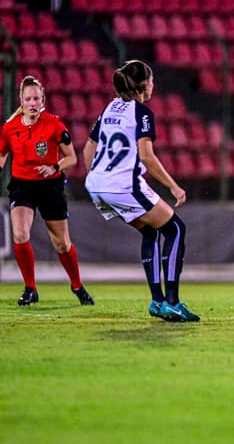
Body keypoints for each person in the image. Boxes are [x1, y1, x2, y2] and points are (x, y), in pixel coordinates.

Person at [83, 60, 199, 322]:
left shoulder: (109, 108)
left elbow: (88, 150)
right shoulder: (142, 112)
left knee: (149, 230)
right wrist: (173, 185)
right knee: (175, 229)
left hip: (97, 184)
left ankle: (157, 302)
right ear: (144, 85)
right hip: (123, 185)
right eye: (152, 80)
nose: (154, 85)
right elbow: (146, 156)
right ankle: (172, 301)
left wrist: (99, 178)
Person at [0, 75, 94, 306]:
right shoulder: (9, 128)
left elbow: (71, 158)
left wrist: (53, 166)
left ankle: (77, 286)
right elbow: (2, 153)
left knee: (62, 243)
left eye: (36, 98)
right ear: (21, 101)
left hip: (50, 186)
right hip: (22, 186)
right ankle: (30, 288)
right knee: (20, 234)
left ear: (42, 100)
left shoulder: (54, 125)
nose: (32, 102)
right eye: (28, 98)